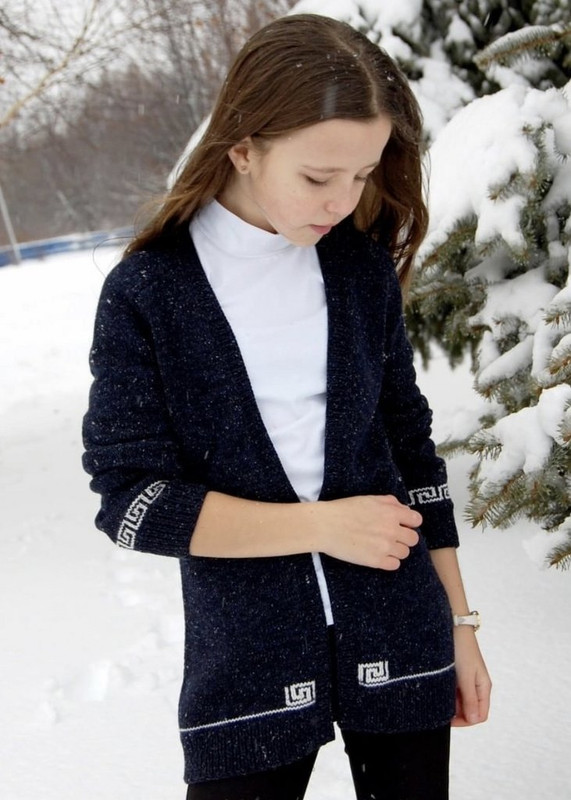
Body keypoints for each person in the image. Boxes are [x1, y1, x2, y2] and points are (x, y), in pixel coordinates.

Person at [82, 12, 491, 800]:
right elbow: (131, 504)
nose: (342, 201)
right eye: (317, 177)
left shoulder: (357, 272)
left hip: (401, 630)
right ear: (242, 147)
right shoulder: (150, 292)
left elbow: (412, 457)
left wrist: (459, 626)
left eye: (362, 175)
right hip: (246, 663)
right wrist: (319, 527)